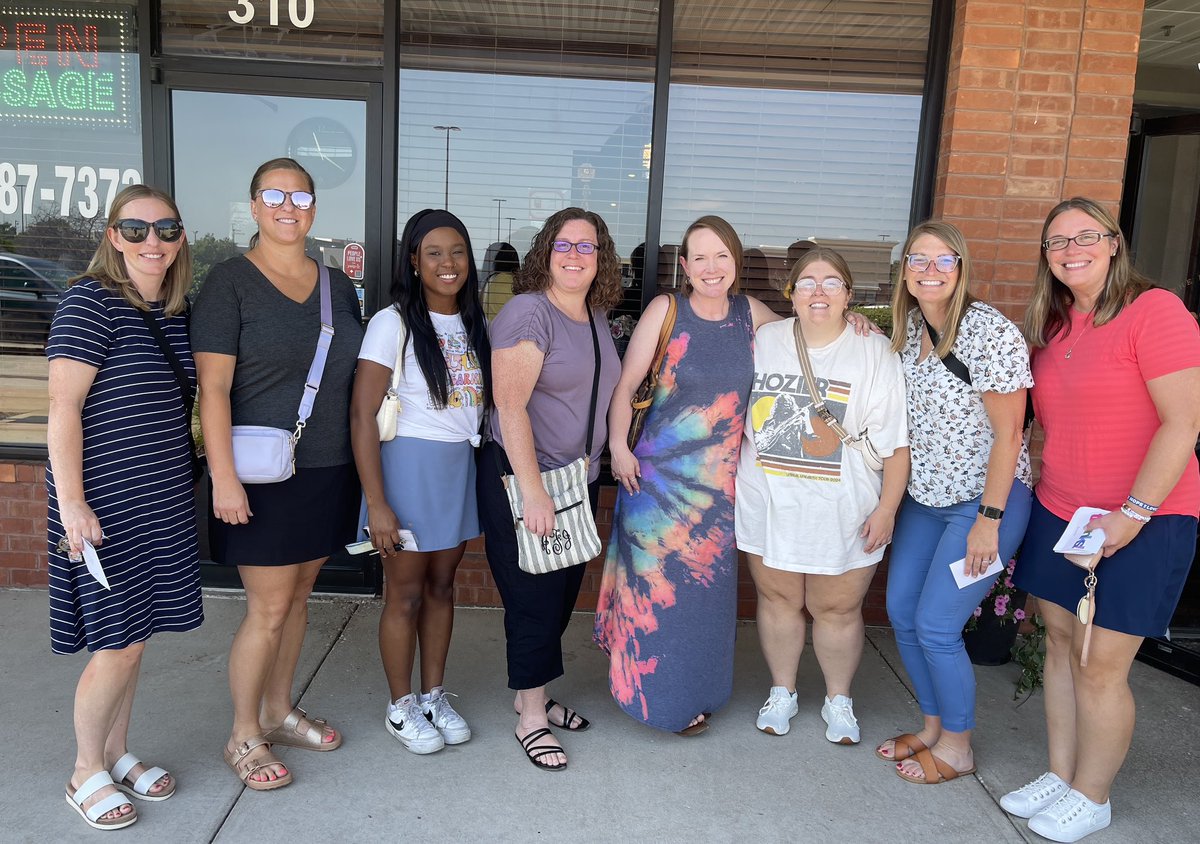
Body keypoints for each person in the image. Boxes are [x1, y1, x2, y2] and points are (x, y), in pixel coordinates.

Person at [595, 217, 876, 735]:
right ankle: (652, 699)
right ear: (684, 266)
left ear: (736, 262)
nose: (711, 267)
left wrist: (859, 320)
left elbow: (809, 328)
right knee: (655, 597)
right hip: (655, 484)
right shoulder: (666, 310)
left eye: (720, 256)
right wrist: (617, 446)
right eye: (699, 257)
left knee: (702, 601)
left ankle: (695, 694)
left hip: (720, 489)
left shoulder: (751, 314)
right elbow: (625, 384)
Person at [1004, 198, 1200, 842]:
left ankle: (1095, 796)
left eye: (1085, 236)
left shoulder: (1156, 311)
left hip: (1147, 518)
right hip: (1064, 513)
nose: (1070, 250)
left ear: (1114, 243)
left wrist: (1133, 513)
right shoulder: (1054, 323)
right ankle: (1062, 777)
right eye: (1057, 241)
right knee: (1059, 644)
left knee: (1100, 664)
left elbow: (1184, 423)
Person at [192, 158, 363, 790]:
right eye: (274, 194)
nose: (288, 206)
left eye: (300, 196)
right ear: (254, 204)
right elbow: (213, 388)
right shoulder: (229, 283)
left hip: (326, 468)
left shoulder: (335, 287)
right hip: (259, 474)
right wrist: (225, 476)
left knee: (297, 601)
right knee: (266, 608)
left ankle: (277, 708)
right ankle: (243, 734)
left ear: (314, 207)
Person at [48, 185, 202, 829]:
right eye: (135, 230)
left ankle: (115, 751)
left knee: (135, 639)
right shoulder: (90, 301)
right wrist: (72, 504)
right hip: (106, 501)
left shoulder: (172, 310)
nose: (153, 242)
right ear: (113, 237)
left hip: (160, 498)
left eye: (166, 229)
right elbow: (63, 411)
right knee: (115, 643)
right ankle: (85, 769)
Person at [880, 221, 1033, 785]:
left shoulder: (988, 331)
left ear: (961, 267)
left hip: (984, 502)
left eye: (943, 260)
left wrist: (988, 522)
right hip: (926, 499)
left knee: (938, 624)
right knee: (901, 613)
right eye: (918, 260)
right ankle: (932, 726)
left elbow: (1010, 433)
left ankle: (960, 746)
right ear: (905, 272)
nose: (929, 270)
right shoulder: (909, 326)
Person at [735, 247, 909, 742]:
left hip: (845, 508)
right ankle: (782, 691)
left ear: (849, 295)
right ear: (790, 292)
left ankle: (839, 700)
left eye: (832, 283)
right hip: (768, 502)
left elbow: (897, 442)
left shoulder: (873, 350)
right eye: (807, 282)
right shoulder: (764, 340)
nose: (819, 291)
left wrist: (888, 508)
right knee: (778, 601)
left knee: (837, 609)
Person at [476, 207, 622, 771]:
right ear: (546, 251)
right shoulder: (526, 312)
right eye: (564, 244)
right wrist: (533, 491)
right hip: (524, 480)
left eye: (587, 247)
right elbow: (509, 404)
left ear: (600, 258)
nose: (575, 255)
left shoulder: (594, 316)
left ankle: (528, 690)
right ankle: (531, 717)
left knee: (561, 596)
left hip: (574, 480)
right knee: (534, 600)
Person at [350, 209, 491, 754]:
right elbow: (362, 416)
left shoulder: (477, 322)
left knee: (441, 588)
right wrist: (376, 503)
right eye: (433, 252)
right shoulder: (393, 322)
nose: (447, 263)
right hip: (406, 471)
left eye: (457, 251)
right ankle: (400, 705)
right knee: (404, 594)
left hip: (457, 468)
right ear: (413, 260)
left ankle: (434, 694)